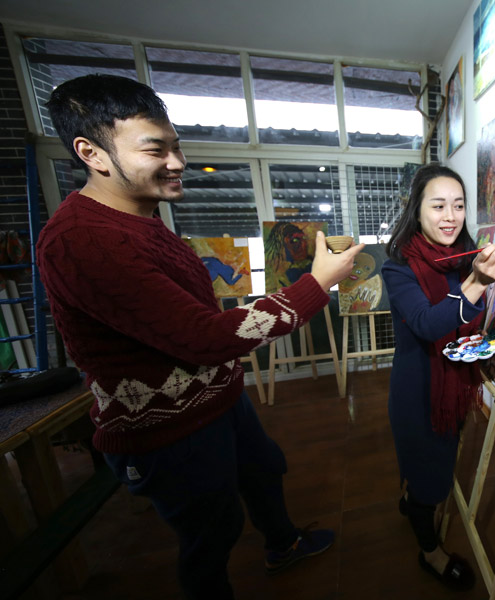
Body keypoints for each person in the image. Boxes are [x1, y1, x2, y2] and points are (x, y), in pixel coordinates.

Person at [36, 74, 364, 600]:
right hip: (165, 431)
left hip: (218, 402)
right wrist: (317, 285)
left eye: (177, 147)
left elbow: (185, 320)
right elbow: (203, 338)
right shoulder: (82, 241)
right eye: (155, 149)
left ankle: (283, 544)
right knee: (210, 535)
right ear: (91, 153)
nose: (177, 163)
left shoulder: (141, 220)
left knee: (264, 471)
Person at [382, 163, 495, 591]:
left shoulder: (467, 255)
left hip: (454, 385)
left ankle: (413, 496)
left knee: (435, 465)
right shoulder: (398, 267)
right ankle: (430, 551)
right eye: (438, 205)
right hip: (418, 392)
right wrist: (475, 283)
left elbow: (472, 323)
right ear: (418, 211)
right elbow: (428, 324)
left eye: (458, 205)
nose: (450, 215)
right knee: (431, 482)